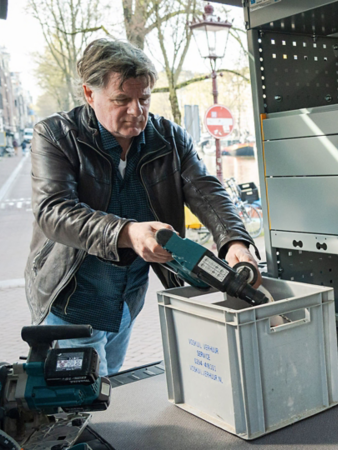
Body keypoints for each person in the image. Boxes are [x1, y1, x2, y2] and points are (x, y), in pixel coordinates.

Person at [25, 38, 260, 377]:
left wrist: (234, 240)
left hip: (126, 300)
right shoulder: (54, 135)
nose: (137, 111)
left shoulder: (170, 137)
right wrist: (126, 232)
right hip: (71, 301)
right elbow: (52, 211)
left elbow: (206, 190)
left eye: (144, 98)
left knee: (112, 382)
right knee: (83, 403)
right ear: (90, 95)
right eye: (122, 100)